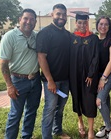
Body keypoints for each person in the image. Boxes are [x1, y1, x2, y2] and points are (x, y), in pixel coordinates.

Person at [0, 8, 42, 139]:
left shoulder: (36, 37)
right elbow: (3, 63)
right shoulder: (10, 37)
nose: (29, 22)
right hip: (18, 81)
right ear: (20, 19)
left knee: (31, 112)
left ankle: (26, 136)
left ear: (35, 22)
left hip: (35, 80)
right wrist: (9, 85)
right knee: (15, 113)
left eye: (32, 19)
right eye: (26, 18)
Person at [36, 4, 71, 139]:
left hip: (65, 81)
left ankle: (57, 130)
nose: (61, 17)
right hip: (51, 81)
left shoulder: (67, 35)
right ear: (52, 15)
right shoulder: (45, 33)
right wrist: (50, 80)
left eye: (63, 14)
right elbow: (41, 57)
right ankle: (46, 136)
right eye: (58, 14)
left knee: (60, 107)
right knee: (50, 109)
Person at [69, 11, 99, 139]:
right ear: (76, 23)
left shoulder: (93, 38)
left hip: (88, 76)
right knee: (77, 97)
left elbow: (96, 58)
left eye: (84, 23)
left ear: (87, 23)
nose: (82, 25)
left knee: (89, 100)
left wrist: (91, 74)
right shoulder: (71, 38)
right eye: (80, 22)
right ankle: (80, 121)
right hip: (74, 74)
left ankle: (91, 129)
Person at [94, 16, 111, 139]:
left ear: (109, 27)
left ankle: (110, 128)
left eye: (106, 24)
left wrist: (103, 79)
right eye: (101, 24)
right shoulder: (94, 40)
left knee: (99, 100)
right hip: (97, 74)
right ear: (97, 25)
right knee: (105, 100)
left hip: (109, 73)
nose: (103, 26)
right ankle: (106, 125)